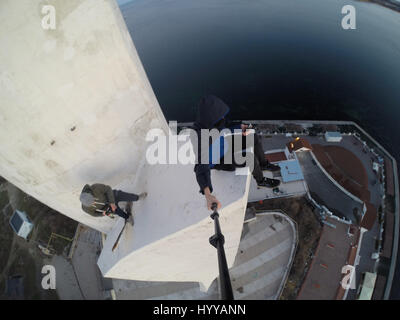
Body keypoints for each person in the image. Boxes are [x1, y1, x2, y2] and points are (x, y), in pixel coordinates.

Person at [192, 95, 281, 210]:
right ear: (211, 117)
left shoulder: (214, 120)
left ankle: (264, 164)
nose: (222, 118)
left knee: (253, 135)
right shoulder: (199, 137)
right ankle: (260, 180)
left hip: (224, 145)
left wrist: (242, 127)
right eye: (220, 116)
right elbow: (200, 167)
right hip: (219, 160)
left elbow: (227, 124)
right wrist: (208, 194)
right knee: (249, 157)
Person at [79, 183, 147, 221]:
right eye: (91, 204)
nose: (93, 203)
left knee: (121, 195)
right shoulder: (85, 208)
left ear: (91, 195)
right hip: (105, 207)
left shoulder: (95, 187)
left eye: (93, 200)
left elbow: (108, 189)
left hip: (110, 196)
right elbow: (94, 214)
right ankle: (127, 217)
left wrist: (112, 203)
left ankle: (137, 197)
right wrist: (103, 214)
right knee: (116, 211)